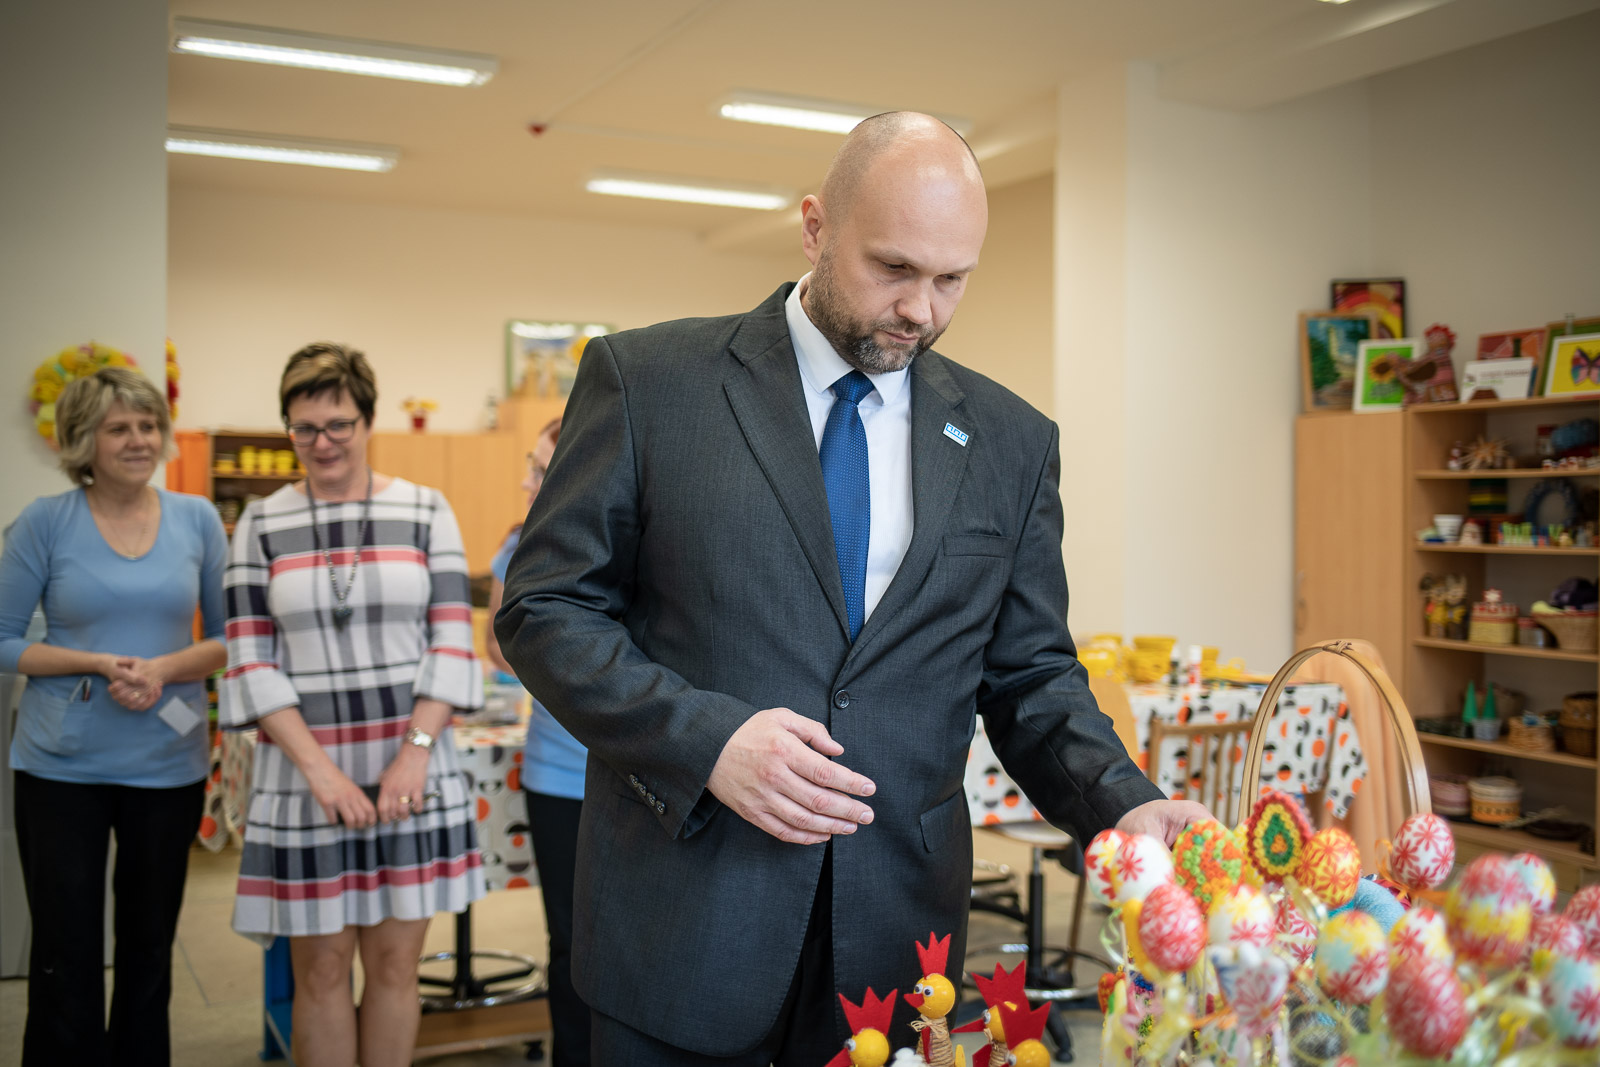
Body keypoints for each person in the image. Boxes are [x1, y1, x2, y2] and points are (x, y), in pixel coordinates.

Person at [495, 111, 1209, 1064]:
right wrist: (708, 739)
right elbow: (544, 608)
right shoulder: (648, 383)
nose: (921, 309)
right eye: (893, 267)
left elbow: (1031, 676)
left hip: (895, 941)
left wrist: (1122, 805)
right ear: (815, 229)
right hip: (683, 923)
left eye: (952, 279)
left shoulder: (1012, 442)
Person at [220, 343, 485, 1067]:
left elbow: (451, 643)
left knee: (397, 968)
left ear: (368, 422)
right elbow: (249, 660)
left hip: (411, 776)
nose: (322, 443)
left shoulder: (426, 510)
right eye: (304, 428)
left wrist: (413, 756)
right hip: (306, 781)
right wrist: (322, 772)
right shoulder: (260, 525)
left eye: (339, 424)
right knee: (322, 972)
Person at [0, 367, 227, 1064]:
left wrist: (163, 668)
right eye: (118, 428)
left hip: (167, 764)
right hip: (60, 767)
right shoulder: (45, 521)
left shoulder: (198, 518)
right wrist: (96, 662)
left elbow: (230, 638)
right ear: (82, 439)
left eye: (149, 425)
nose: (139, 440)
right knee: (64, 950)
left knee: (149, 947)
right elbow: (4, 639)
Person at [483, 416, 592, 1067]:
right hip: (558, 773)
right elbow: (498, 642)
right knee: (570, 941)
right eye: (529, 466)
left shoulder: (630, 536)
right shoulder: (517, 544)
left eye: (541, 470)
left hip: (640, 772)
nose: (527, 482)